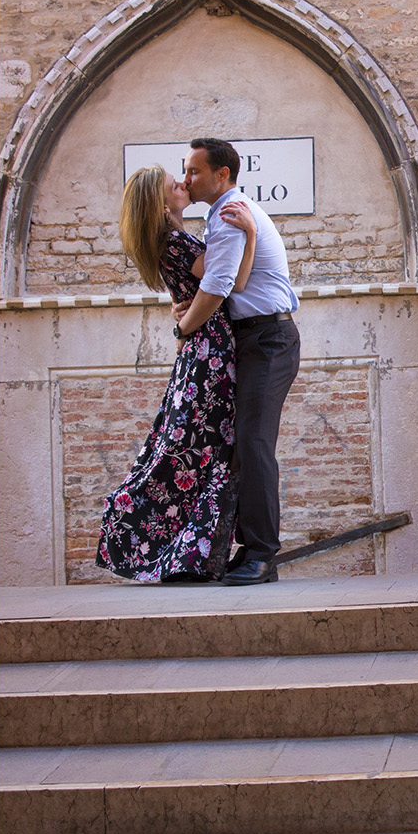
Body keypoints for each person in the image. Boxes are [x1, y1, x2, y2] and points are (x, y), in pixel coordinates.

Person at [95, 164, 257, 583]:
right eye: (174, 185)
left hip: (200, 354)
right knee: (205, 451)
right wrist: (252, 235)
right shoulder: (178, 243)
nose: (183, 185)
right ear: (161, 202)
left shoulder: (171, 241)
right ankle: (173, 546)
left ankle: (190, 552)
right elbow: (233, 284)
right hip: (210, 356)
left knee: (195, 449)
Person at [177, 136, 301, 585]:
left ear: (221, 174)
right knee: (243, 444)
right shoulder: (226, 215)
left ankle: (262, 555)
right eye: (186, 171)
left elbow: (219, 284)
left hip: (268, 340)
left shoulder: (230, 215)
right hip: (253, 340)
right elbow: (230, 278)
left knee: (252, 443)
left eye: (194, 171)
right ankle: (249, 548)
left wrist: (184, 327)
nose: (187, 178)